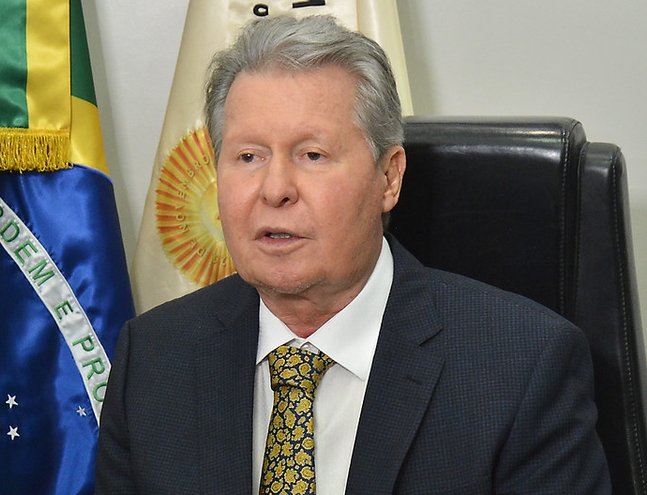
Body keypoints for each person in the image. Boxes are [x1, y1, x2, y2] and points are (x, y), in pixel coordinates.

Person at [95, 15, 611, 494]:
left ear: (388, 178)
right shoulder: (153, 359)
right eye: (248, 156)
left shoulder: (521, 369)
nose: (274, 190)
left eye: (312, 155)